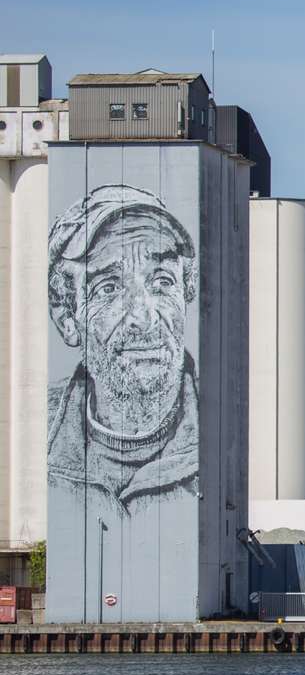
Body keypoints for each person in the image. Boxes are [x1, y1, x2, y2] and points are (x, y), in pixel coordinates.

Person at [46, 184, 200, 524]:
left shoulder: (224, 437)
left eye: (161, 281)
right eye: (109, 288)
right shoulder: (36, 437)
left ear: (185, 291)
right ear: (66, 318)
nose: (142, 319)